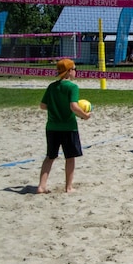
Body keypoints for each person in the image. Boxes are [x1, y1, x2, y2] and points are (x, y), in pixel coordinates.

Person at [37, 59, 91, 193]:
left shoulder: (51, 86)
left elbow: (42, 106)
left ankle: (41, 186)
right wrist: (85, 115)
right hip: (68, 127)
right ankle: (68, 187)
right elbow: (74, 106)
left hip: (52, 127)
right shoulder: (72, 87)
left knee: (50, 157)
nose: (76, 71)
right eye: (75, 69)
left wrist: (56, 107)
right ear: (69, 71)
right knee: (70, 157)